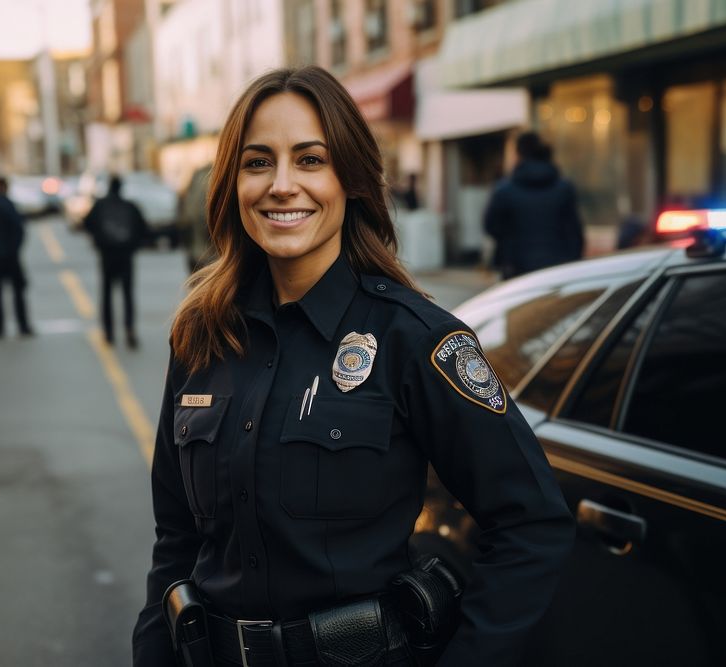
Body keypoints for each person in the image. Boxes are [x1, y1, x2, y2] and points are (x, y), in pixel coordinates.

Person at [132, 66, 574, 667]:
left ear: (352, 178)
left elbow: (532, 524)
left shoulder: (416, 339)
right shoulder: (202, 337)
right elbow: (177, 540)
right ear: (232, 184)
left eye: (310, 160)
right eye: (258, 162)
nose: (282, 185)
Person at [483, 131, 584, 279]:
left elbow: (491, 226)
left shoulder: (504, 190)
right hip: (558, 269)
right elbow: (575, 232)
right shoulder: (564, 188)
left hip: (516, 269)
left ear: (518, 154)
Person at [82, 175, 150, 348]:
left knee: (107, 294)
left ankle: (109, 333)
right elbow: (144, 228)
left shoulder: (100, 206)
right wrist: (133, 244)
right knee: (127, 295)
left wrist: (99, 240)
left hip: (107, 255)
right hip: (126, 255)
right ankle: (129, 330)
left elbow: (87, 223)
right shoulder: (130, 206)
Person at [0, 176, 34, 338]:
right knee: (17, 292)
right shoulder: (8, 205)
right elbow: (19, 229)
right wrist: (14, 249)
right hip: (9, 256)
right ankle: (22, 326)